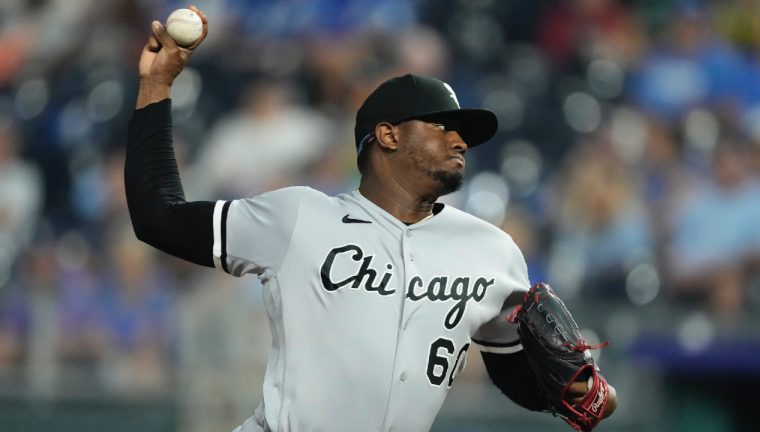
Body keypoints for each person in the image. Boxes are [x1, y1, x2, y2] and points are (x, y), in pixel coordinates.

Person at [125, 6, 617, 431]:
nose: (459, 141)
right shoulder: (300, 216)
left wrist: (572, 388)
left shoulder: (493, 251)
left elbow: (518, 379)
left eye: (462, 133)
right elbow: (159, 217)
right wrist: (156, 84)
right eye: (442, 127)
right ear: (387, 135)